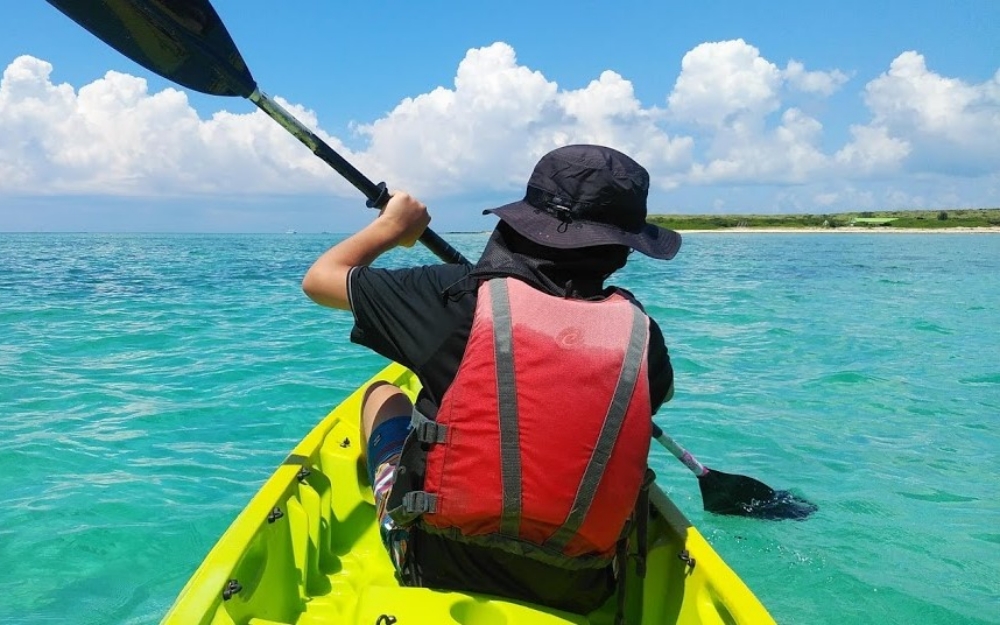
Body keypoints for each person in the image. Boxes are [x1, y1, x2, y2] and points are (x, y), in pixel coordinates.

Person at [302, 144, 681, 614]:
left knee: (382, 394)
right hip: (580, 583)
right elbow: (649, 401)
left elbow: (320, 279)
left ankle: (390, 507)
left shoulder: (455, 297)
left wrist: (393, 227)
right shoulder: (643, 335)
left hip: (437, 562)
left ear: (521, 224)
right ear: (622, 250)